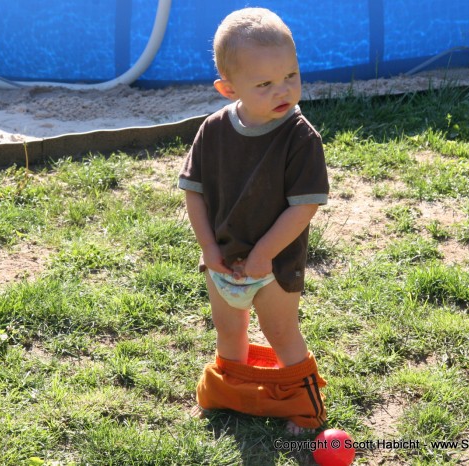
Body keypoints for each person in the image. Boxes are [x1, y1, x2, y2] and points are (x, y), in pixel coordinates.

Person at [178, 7, 329, 433]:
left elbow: (304, 207)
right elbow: (194, 191)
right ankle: (231, 392)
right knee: (230, 334)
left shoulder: (301, 139)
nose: (283, 90)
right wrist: (209, 249)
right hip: (223, 259)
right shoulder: (212, 130)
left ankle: (304, 407)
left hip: (275, 265)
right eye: (264, 84)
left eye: (291, 76)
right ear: (229, 89)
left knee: (281, 334)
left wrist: (264, 253)